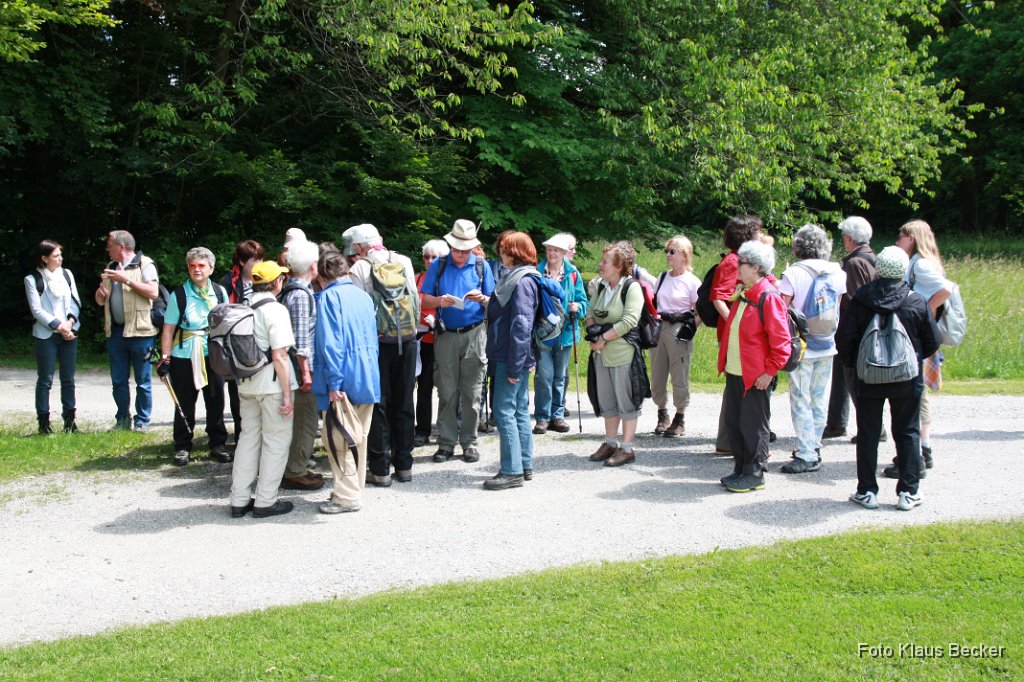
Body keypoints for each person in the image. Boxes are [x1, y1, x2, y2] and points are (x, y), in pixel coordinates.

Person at [837, 246, 940, 511]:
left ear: (878, 269)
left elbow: (845, 339)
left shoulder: (860, 299)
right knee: (907, 432)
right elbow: (931, 342)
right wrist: (913, 358)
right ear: (903, 270)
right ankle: (908, 492)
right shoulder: (915, 300)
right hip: (906, 377)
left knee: (868, 433)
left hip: (868, 376)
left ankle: (867, 491)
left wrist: (854, 365)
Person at [344, 223, 419, 485]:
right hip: (407, 341)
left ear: (358, 247)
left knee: (379, 404)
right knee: (405, 401)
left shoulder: (359, 269)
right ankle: (405, 465)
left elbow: (359, 310)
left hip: (376, 345)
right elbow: (415, 299)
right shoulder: (405, 261)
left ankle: (380, 470)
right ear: (380, 239)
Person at [419, 219, 496, 465]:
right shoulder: (439, 266)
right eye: (456, 249)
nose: (461, 254)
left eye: (465, 250)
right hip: (446, 336)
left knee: (472, 393)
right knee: (446, 391)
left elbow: (494, 303)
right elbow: (423, 299)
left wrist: (482, 298)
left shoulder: (482, 266)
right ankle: (446, 443)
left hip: (475, 334)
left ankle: (470, 443)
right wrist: (439, 301)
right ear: (450, 245)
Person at [718, 240, 791, 493]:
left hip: (756, 375)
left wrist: (770, 371)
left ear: (757, 267)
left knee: (753, 425)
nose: (738, 267)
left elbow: (781, 342)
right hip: (737, 371)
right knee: (735, 421)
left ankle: (755, 472)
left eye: (743, 263)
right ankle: (741, 468)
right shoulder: (745, 293)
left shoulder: (768, 297)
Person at [313, 249, 381, 514]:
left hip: (343, 377)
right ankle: (354, 490)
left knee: (338, 439)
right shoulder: (363, 296)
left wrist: (333, 383)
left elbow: (332, 344)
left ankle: (347, 496)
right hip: (367, 373)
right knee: (359, 436)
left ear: (321, 276)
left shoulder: (328, 298)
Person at [229, 260, 297, 519]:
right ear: (276, 282)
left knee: (248, 440)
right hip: (272, 387)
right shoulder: (276, 310)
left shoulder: (242, 307)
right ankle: (266, 502)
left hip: (246, 385)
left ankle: (239, 500)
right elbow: (280, 356)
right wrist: (288, 394)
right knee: (275, 442)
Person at [778, 224, 847, 473]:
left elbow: (781, 311)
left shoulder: (794, 274)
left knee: (800, 398)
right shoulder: (838, 272)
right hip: (828, 344)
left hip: (801, 346)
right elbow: (837, 308)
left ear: (798, 246)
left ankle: (807, 454)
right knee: (819, 398)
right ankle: (814, 445)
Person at [157, 247, 231, 466]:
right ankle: (182, 446)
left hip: (213, 353)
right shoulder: (178, 295)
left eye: (201, 266)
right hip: (184, 355)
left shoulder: (219, 292)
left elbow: (226, 324)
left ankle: (218, 444)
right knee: (185, 402)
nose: (196, 270)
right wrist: (165, 358)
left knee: (216, 400)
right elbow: (168, 329)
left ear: (211, 268)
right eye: (192, 266)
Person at [890, 219, 952, 478]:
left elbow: (946, 290)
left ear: (912, 239)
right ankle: (921, 449)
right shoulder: (920, 263)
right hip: (921, 336)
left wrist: (922, 310)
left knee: (916, 395)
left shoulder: (920, 264)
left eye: (901, 236)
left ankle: (918, 453)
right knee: (918, 394)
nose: (897, 241)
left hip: (916, 337)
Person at [484, 231, 540, 489]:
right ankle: (524, 464)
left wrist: (515, 366)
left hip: (512, 356)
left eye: (505, 250)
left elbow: (521, 325)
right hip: (515, 354)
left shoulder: (521, 281)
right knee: (517, 410)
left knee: (504, 410)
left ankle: (511, 470)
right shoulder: (522, 278)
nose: (501, 254)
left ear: (515, 253)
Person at [586, 241, 646, 467]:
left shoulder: (631, 287)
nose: (600, 265)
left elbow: (630, 321)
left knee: (625, 401)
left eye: (605, 261)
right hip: (600, 354)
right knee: (607, 400)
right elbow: (590, 312)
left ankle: (627, 448)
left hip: (622, 354)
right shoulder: (601, 286)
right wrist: (593, 335)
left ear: (620, 266)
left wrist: (602, 339)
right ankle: (610, 442)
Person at [94, 230, 160, 432]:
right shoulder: (111, 267)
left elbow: (153, 292)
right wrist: (100, 295)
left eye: (110, 246)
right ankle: (122, 420)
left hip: (141, 332)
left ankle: (142, 421)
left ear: (121, 247)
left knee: (143, 381)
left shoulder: (144, 264)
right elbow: (100, 301)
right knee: (118, 380)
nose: (107, 250)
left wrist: (127, 280)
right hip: (115, 333)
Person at [709, 215, 764, 455]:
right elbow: (718, 297)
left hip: (740, 336)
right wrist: (734, 324)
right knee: (737, 388)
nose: (761, 236)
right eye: (758, 232)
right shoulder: (734, 261)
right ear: (747, 235)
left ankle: (730, 441)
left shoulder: (742, 260)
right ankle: (729, 442)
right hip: (737, 338)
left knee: (737, 388)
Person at [823, 216, 880, 441]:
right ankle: (836, 423)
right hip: (860, 329)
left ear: (849, 238)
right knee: (842, 376)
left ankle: (873, 428)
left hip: (853, 329)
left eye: (843, 237)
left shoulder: (855, 263)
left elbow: (852, 298)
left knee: (853, 379)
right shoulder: (872, 258)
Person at [279, 239, 325, 491]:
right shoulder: (300, 295)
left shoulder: (291, 290)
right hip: (300, 370)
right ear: (310, 265)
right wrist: (306, 373)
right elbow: (300, 339)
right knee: (306, 421)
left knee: (301, 420)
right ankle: (296, 470)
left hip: (296, 369)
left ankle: (296, 467)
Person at [533, 233, 587, 435]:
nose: (552, 253)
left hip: (565, 332)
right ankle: (542, 417)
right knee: (544, 375)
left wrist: (577, 307)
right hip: (543, 333)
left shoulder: (573, 275)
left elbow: (583, 301)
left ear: (564, 253)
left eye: (556, 250)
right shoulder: (537, 273)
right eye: (549, 249)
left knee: (560, 376)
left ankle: (557, 415)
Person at [25, 239, 81, 434]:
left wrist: (70, 323)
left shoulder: (67, 275)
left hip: (68, 333)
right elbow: (36, 310)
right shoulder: (32, 279)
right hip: (46, 335)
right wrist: (59, 327)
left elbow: (75, 301)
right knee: (45, 380)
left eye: (60, 255)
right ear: (44, 258)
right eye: (56, 256)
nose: (60, 259)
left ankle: (70, 422)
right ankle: (44, 423)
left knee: (68, 379)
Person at [650, 235, 701, 437]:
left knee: (679, 375)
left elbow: (700, 311)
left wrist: (689, 330)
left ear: (684, 255)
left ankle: (679, 418)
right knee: (657, 373)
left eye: (672, 251)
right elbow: (654, 304)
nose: (668, 255)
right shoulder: (662, 277)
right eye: (667, 251)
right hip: (660, 328)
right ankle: (662, 414)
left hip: (679, 329)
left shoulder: (692, 282)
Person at [220, 240, 265, 443]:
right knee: (238, 394)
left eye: (260, 259)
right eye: (254, 260)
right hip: (236, 346)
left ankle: (260, 439)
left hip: (260, 343)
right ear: (241, 260)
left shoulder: (265, 278)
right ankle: (242, 438)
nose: (258, 264)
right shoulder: (228, 282)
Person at [414, 239, 449, 447]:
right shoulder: (418, 278)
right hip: (423, 340)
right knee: (423, 387)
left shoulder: (447, 279)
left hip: (445, 339)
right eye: (426, 257)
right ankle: (423, 430)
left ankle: (447, 431)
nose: (429, 261)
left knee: (447, 387)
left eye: (434, 257)